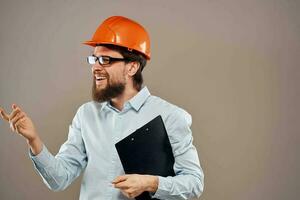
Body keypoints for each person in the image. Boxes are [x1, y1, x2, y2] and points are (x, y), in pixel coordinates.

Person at [0, 16, 204, 199]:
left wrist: (150, 183)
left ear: (132, 67)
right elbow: (59, 179)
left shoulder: (170, 116)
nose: (95, 67)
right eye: (94, 58)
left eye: (105, 60)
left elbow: (194, 183)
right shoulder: (86, 114)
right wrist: (33, 140)